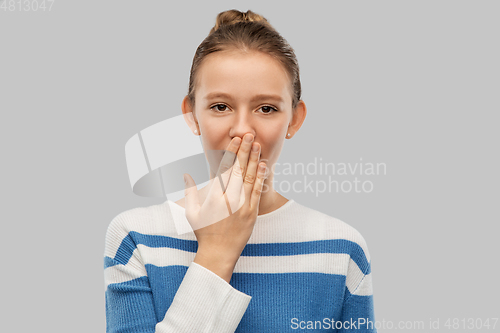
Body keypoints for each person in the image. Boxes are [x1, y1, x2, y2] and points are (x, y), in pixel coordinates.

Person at [104, 9, 376, 332]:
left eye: (267, 108)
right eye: (221, 106)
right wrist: (216, 253)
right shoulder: (136, 238)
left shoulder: (342, 248)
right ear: (191, 115)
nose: (243, 130)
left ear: (294, 119)